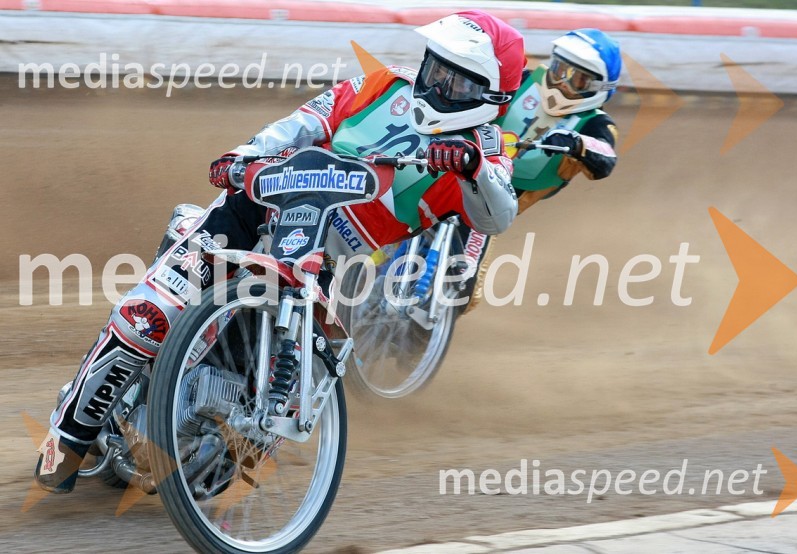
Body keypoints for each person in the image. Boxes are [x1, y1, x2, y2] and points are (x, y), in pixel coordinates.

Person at [34, 10, 525, 493]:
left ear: (491, 95)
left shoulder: (485, 148)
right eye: (436, 67)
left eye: (457, 81)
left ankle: (182, 427)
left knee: (251, 441)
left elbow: (496, 213)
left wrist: (473, 166)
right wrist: (243, 155)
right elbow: (304, 121)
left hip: (318, 261)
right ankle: (65, 443)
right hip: (254, 210)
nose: (437, 84)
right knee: (149, 316)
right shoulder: (381, 86)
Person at [459, 28, 622, 312]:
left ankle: (421, 334)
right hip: (457, 169)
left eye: (578, 79)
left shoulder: (596, 124)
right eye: (560, 69)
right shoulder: (523, 80)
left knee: (465, 291)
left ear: (598, 89)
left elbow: (606, 155)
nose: (562, 83)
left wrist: (578, 142)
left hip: (489, 204)